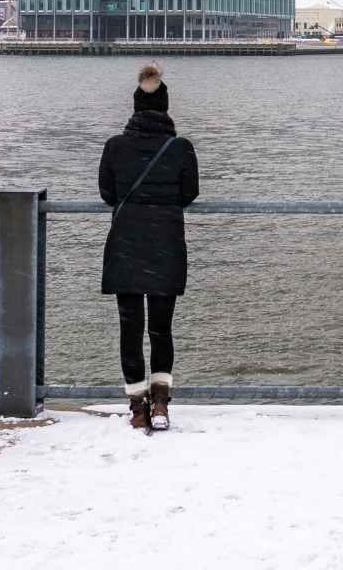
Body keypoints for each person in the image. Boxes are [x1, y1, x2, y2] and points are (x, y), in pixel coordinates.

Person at [99, 64, 198, 432]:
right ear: (166, 107)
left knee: (130, 328)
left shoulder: (115, 147)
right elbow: (189, 193)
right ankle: (160, 404)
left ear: (135, 108)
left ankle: (136, 406)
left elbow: (108, 194)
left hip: (126, 245)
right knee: (161, 329)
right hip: (165, 246)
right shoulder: (180, 148)